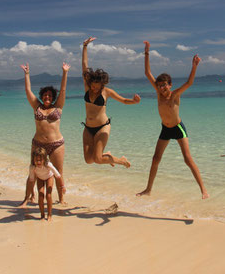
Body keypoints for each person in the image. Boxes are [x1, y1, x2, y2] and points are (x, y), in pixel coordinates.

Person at [137, 41, 209, 199]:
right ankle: (148, 189)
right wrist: (147, 53)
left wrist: (194, 66)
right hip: (165, 128)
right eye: (160, 85)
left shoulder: (175, 94)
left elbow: (189, 83)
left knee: (187, 159)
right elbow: (147, 72)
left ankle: (203, 190)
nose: (162, 88)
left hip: (178, 128)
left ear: (170, 85)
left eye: (164, 85)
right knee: (155, 159)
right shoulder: (157, 93)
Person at [81, 37, 140, 168]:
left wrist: (134, 101)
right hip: (88, 128)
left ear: (102, 84)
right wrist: (85, 47)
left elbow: (124, 100)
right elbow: (84, 67)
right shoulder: (87, 87)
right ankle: (107, 156)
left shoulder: (107, 92)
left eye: (97, 86)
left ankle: (121, 161)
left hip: (103, 127)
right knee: (89, 160)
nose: (94, 88)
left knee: (97, 159)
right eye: (92, 85)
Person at [18, 62, 69, 206]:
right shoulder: (37, 106)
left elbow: (63, 90)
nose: (47, 97)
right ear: (42, 96)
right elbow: (28, 90)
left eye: (50, 96)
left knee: (59, 172)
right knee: (32, 170)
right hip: (38, 144)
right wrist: (27, 74)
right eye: (45, 95)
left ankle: (62, 199)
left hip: (56, 144)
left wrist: (65, 73)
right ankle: (27, 198)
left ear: (53, 97)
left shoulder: (58, 107)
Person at [25, 147, 61, 222]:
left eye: (40, 160)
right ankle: (42, 215)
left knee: (48, 195)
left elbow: (57, 175)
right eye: (36, 160)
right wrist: (32, 194)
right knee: (41, 195)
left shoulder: (48, 164)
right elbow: (31, 180)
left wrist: (62, 186)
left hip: (49, 177)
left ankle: (49, 214)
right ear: (33, 159)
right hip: (40, 178)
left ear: (44, 159)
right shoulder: (32, 167)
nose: (38, 162)